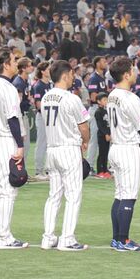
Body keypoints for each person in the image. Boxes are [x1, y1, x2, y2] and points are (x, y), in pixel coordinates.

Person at [41, 59, 90, 252]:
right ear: (64, 75)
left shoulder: (46, 97)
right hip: (68, 148)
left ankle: (48, 237)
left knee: (54, 195)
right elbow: (84, 126)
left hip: (52, 149)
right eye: (71, 74)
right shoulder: (72, 98)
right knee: (73, 195)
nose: (73, 77)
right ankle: (67, 239)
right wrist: (85, 141)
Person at [106, 55, 140, 251]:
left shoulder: (112, 94)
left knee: (120, 194)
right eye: (132, 70)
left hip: (116, 147)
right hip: (127, 148)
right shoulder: (130, 97)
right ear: (126, 75)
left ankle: (117, 238)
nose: (134, 73)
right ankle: (123, 240)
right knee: (129, 196)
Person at [0, 48, 28, 249]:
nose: (16, 63)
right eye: (13, 60)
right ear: (5, 64)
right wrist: (20, 145)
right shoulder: (7, 87)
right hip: (5, 140)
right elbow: (12, 118)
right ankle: (4, 237)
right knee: (7, 191)